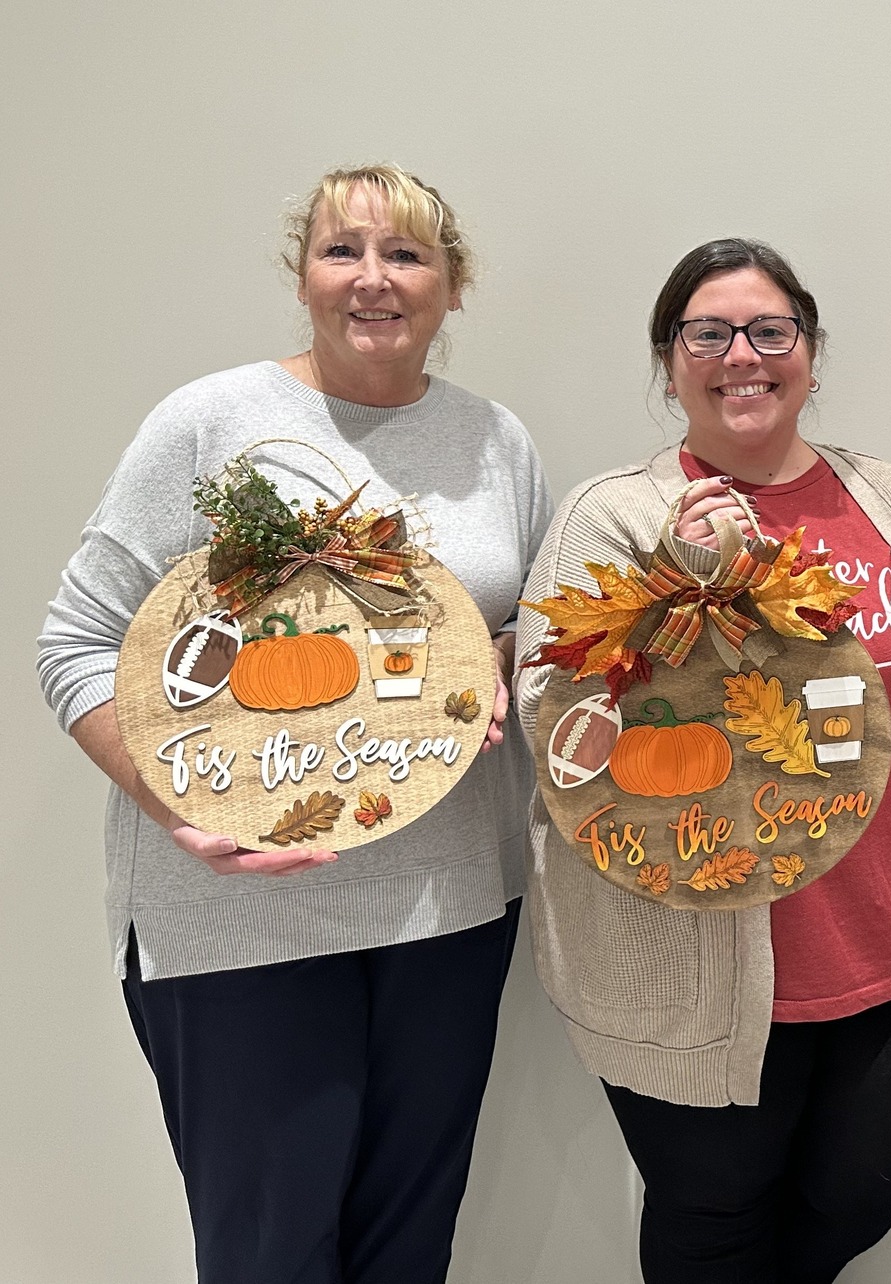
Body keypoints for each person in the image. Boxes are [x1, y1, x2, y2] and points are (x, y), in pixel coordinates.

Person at [36, 164, 550, 1284]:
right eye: (342, 250)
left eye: (405, 254)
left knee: (407, 1250)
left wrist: (501, 670)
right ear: (302, 274)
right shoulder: (209, 423)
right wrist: (175, 808)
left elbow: (515, 632)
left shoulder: (495, 442)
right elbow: (74, 644)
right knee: (269, 1257)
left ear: (452, 284)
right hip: (241, 923)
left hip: (449, 907)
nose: (374, 278)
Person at [514, 237, 891, 1284]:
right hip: (697, 958)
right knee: (713, 1216)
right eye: (708, 334)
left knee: (878, 1180)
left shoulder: (886, 497)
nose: (742, 354)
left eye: (770, 331)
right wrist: (671, 585)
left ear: (810, 355)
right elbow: (552, 725)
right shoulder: (616, 514)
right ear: (669, 365)